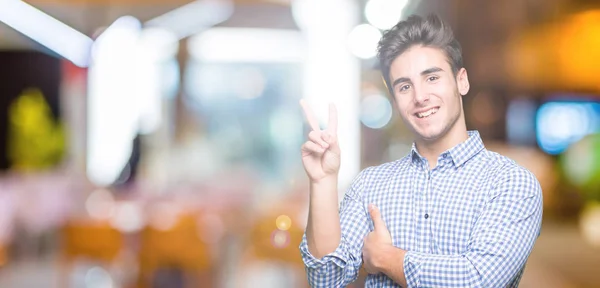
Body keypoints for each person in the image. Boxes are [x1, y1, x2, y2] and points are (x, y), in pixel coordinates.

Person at [298, 14, 543, 287]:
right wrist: (322, 181)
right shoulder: (369, 186)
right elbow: (325, 277)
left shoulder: (511, 183)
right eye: (404, 86)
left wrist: (387, 258)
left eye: (432, 78)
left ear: (461, 81)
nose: (419, 97)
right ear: (395, 99)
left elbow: (478, 280)